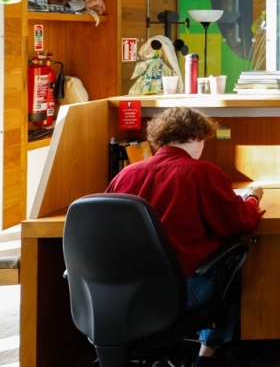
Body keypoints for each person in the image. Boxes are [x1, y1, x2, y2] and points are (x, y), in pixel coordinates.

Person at [106, 106, 264, 367]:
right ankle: (207, 354)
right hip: (182, 290)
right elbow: (239, 223)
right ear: (196, 138)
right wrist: (251, 198)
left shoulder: (125, 174)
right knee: (231, 263)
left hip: (124, 291)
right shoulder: (202, 172)